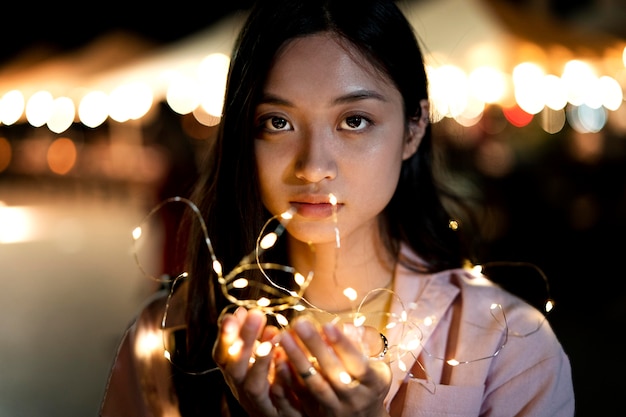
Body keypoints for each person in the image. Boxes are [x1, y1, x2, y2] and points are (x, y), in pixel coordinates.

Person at [100, 0, 575, 416]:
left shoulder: (506, 345)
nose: (313, 166)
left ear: (414, 128)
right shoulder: (170, 339)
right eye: (278, 122)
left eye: (354, 120)